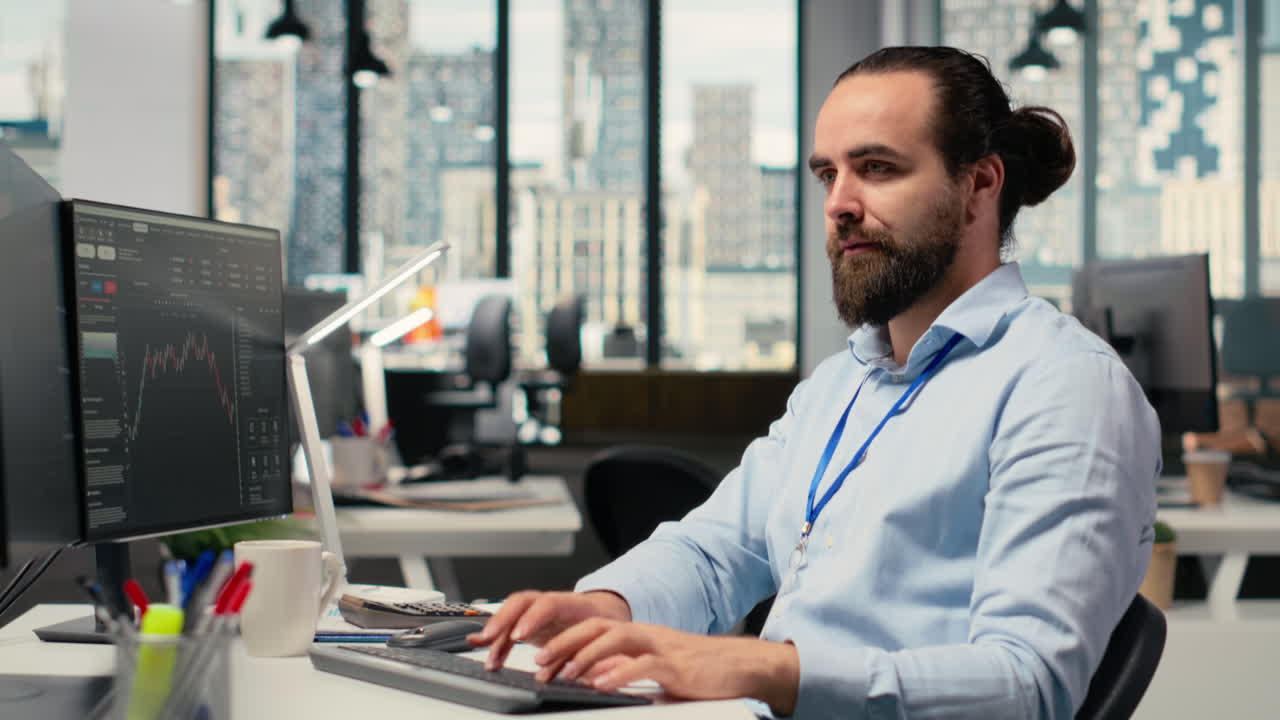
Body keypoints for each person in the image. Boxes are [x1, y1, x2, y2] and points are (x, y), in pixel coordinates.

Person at [469, 46, 1161, 719]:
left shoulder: (1064, 386)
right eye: (828, 174)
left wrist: (765, 669)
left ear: (979, 183)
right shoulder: (843, 382)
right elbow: (716, 551)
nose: (839, 203)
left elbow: (1026, 685)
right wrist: (606, 607)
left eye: (877, 168)